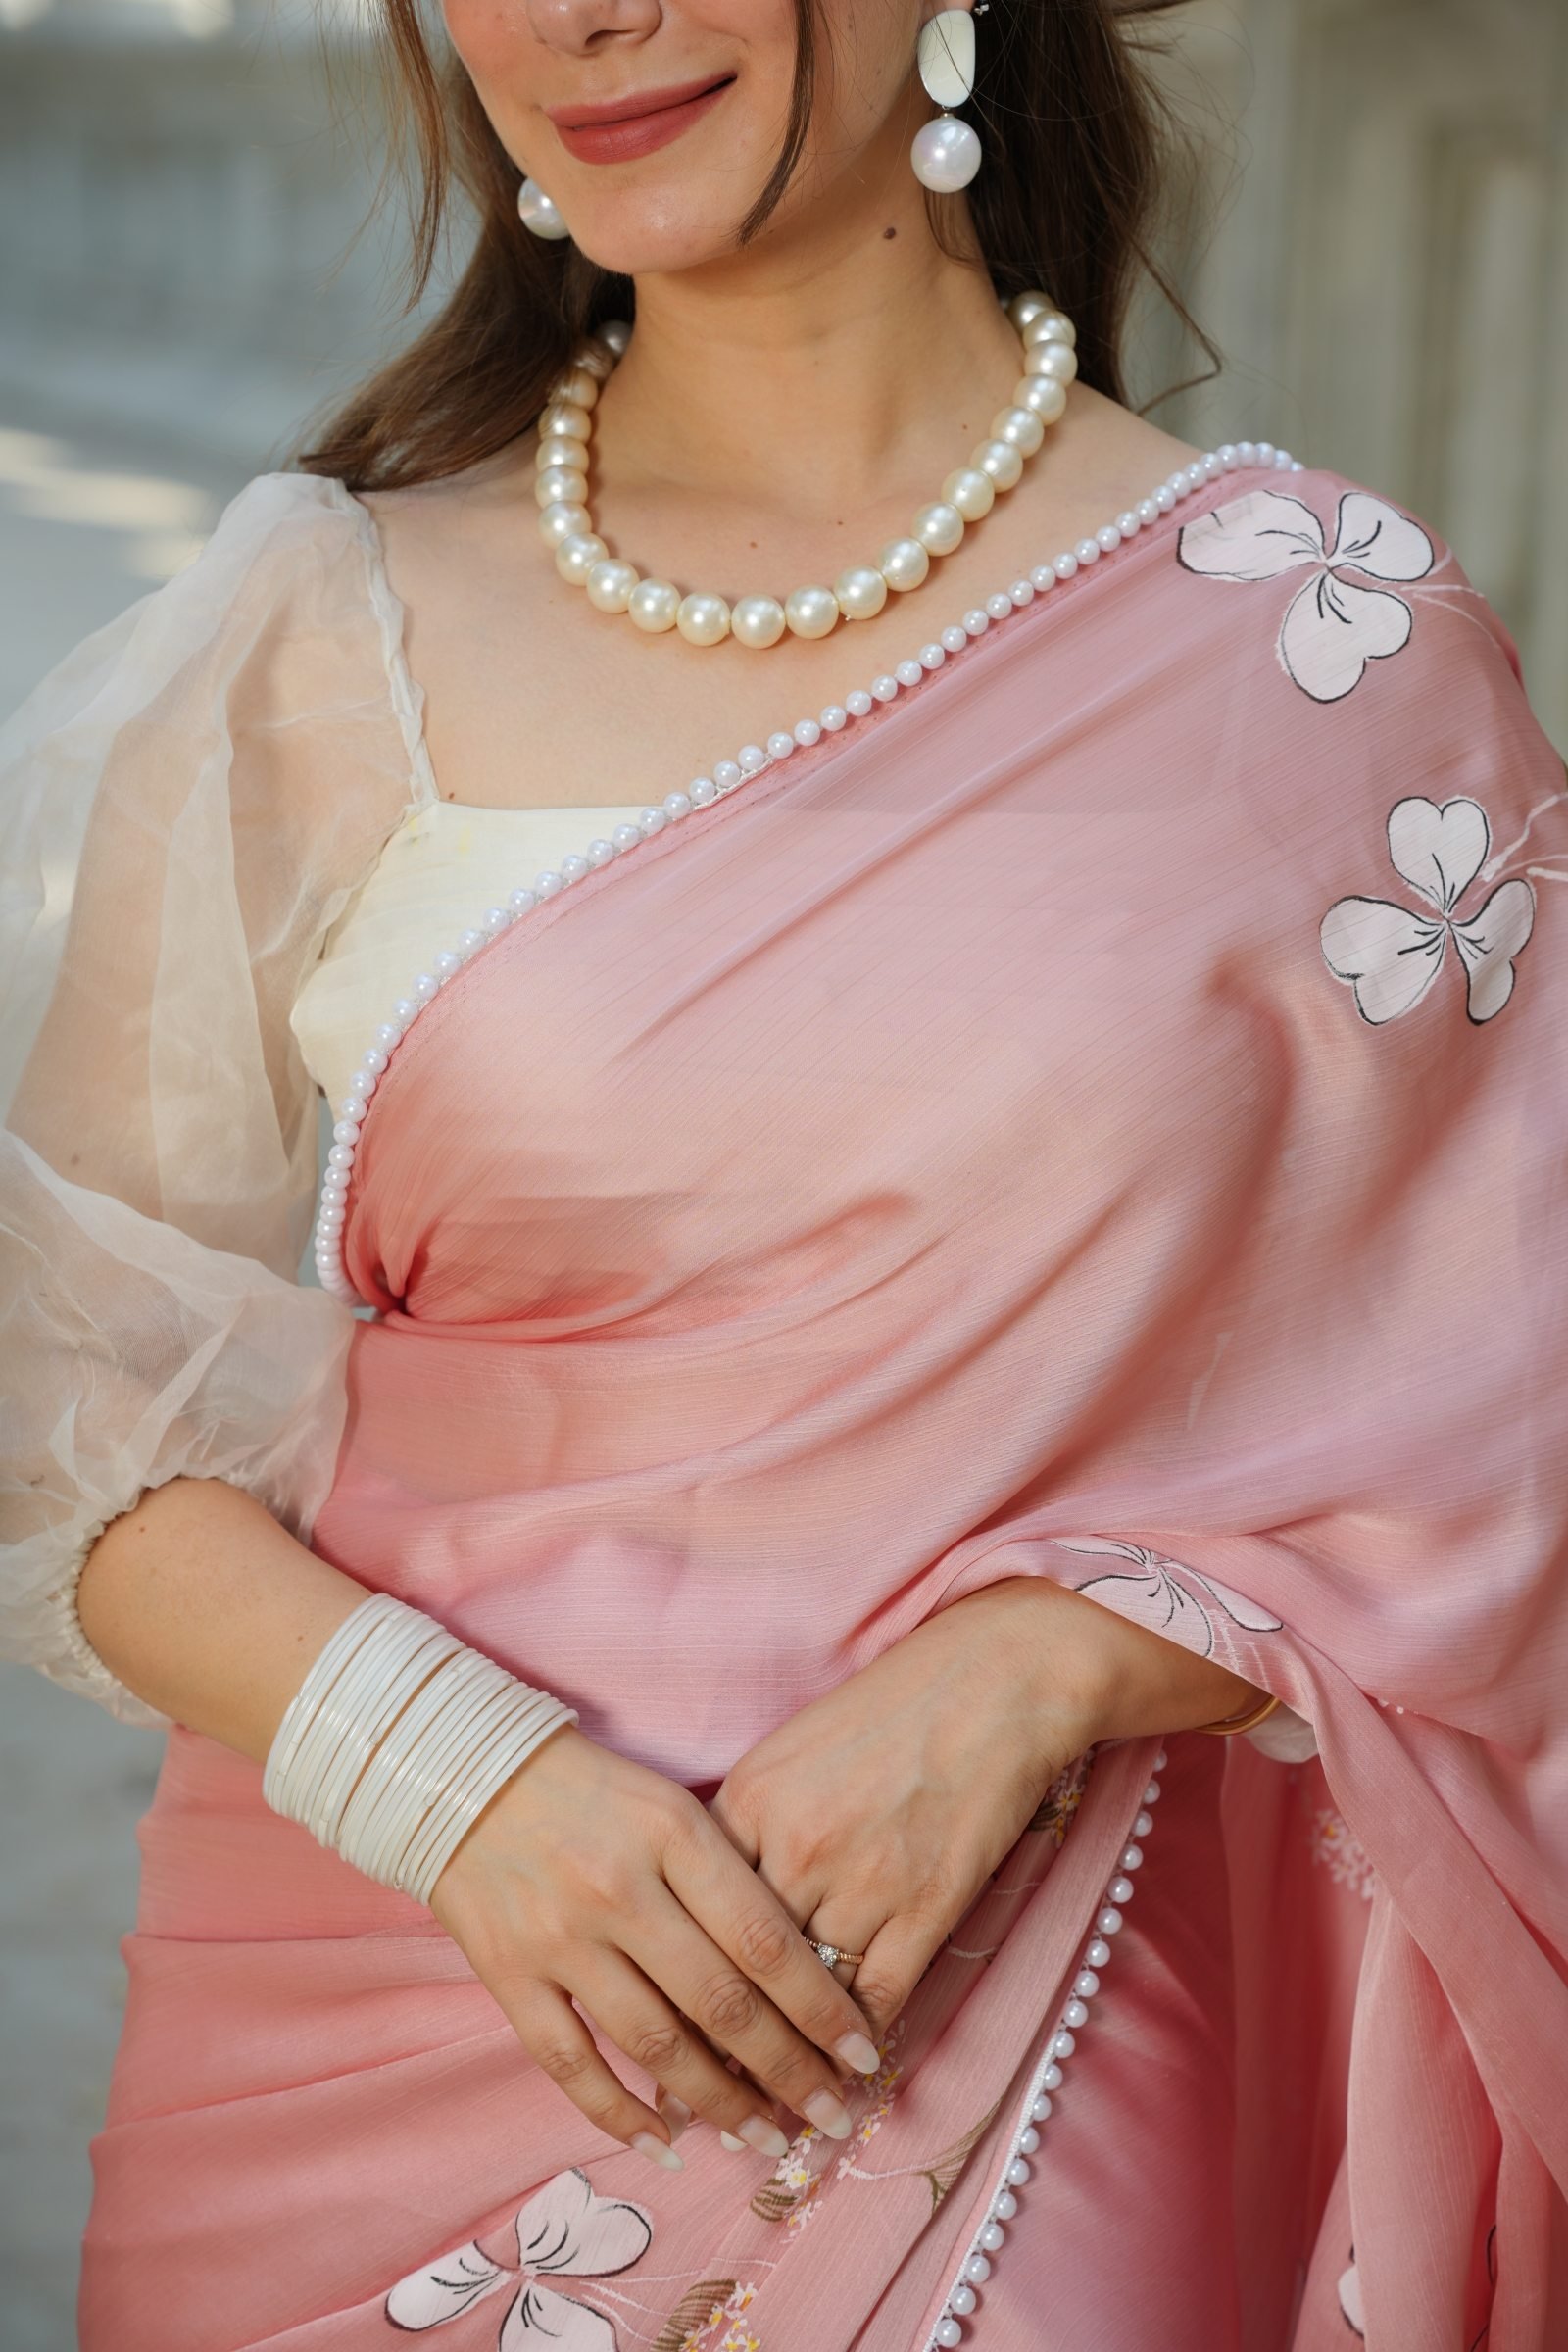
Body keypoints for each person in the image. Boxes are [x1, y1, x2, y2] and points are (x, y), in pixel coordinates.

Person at [2, 1, 1565, 2345]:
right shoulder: (314, 640)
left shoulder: (1321, 655)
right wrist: (463, 1790)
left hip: (1030, 2021)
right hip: (352, 2026)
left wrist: (1043, 1666)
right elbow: (57, 1417)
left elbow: (1505, 1388)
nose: (574, 15)